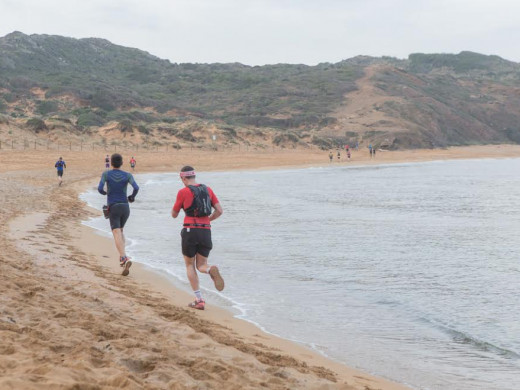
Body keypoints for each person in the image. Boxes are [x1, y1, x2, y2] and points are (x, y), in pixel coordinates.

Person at [171, 166, 224, 310]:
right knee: (201, 265)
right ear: (194, 176)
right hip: (206, 231)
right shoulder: (208, 189)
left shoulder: (183, 192)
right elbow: (219, 210)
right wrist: (208, 220)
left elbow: (174, 214)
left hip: (190, 230)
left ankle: (199, 300)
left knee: (189, 265)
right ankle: (210, 269)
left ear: (183, 178)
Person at [98, 153, 139, 276]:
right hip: (125, 207)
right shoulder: (127, 175)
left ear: (111, 163)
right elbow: (136, 188)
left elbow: (100, 189)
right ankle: (123, 259)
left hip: (114, 206)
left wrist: (106, 193)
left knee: (116, 232)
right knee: (120, 231)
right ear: (122, 163)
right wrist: (131, 197)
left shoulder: (106, 174)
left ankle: (123, 257)